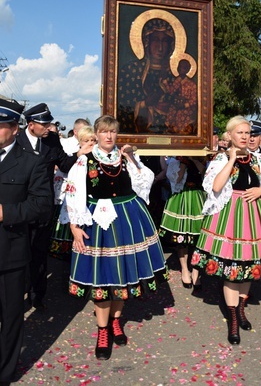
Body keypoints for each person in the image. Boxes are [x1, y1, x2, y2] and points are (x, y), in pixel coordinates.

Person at [59, 115, 169, 360]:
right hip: (97, 221)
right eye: (104, 131)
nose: (109, 136)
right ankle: (102, 330)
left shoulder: (125, 157)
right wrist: (75, 226)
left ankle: (116, 321)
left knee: (123, 274)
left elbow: (144, 181)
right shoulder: (83, 162)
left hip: (128, 219)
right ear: (96, 134)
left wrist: (131, 158)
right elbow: (73, 193)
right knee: (103, 276)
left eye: (113, 132)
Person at [192, 115, 261, 345]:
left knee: (249, 267)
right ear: (230, 135)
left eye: (247, 133)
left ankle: (241, 309)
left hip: (256, 216)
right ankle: (234, 318)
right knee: (233, 268)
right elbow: (215, 186)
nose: (245, 137)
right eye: (240, 133)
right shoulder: (220, 158)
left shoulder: (257, 159)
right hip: (230, 216)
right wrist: (231, 159)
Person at [16, 103, 90, 310]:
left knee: (39, 253)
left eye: (49, 123)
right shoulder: (15, 141)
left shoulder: (51, 140)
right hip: (20, 208)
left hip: (42, 208)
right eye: (44, 124)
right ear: (31, 125)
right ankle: (18, 293)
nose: (48, 127)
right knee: (20, 252)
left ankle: (37, 295)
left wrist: (79, 153)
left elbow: (64, 165)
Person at [0, 98, 52, 385]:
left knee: (10, 318)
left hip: (10, 251)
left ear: (14, 129)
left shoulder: (31, 162)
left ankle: (5, 372)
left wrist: (6, 212)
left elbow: (42, 204)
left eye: (0, 127)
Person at [117, 18, 176, 134]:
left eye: (164, 41)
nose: (160, 47)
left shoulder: (173, 75)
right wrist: (144, 104)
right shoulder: (131, 70)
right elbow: (123, 106)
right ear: (146, 42)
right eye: (155, 40)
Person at [159, 156, 206, 291]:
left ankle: (196, 269)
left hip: (198, 197)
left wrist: (195, 160)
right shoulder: (176, 160)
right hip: (181, 197)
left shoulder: (203, 158)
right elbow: (177, 179)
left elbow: (205, 174)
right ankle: (185, 268)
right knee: (180, 236)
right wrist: (184, 163)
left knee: (199, 237)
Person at [50, 126, 96, 260]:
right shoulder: (74, 154)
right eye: (87, 140)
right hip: (72, 193)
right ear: (81, 141)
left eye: (93, 140)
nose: (91, 143)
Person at [161, 58, 198, 134]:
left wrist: (184, 105)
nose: (181, 69)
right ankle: (168, 128)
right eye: (180, 67)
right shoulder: (177, 80)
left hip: (187, 108)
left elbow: (194, 100)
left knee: (180, 114)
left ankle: (181, 131)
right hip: (176, 105)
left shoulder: (192, 84)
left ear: (187, 70)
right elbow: (171, 91)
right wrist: (165, 81)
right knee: (171, 110)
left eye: (184, 68)